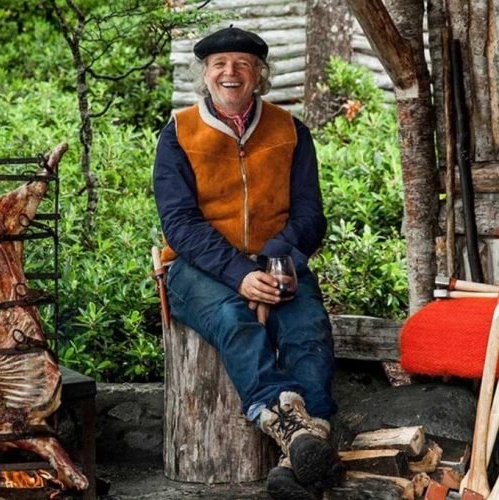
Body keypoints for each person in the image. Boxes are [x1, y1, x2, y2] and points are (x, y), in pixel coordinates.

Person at [153, 25, 342, 499]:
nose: (230, 72)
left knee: (307, 329)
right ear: (206, 75)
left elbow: (310, 214)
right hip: (196, 268)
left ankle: (298, 455)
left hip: (277, 260)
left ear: (259, 74)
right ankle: (295, 433)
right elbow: (180, 224)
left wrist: (275, 262)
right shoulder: (177, 133)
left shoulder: (290, 129)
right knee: (234, 319)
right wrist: (241, 276)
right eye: (219, 64)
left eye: (242, 64)